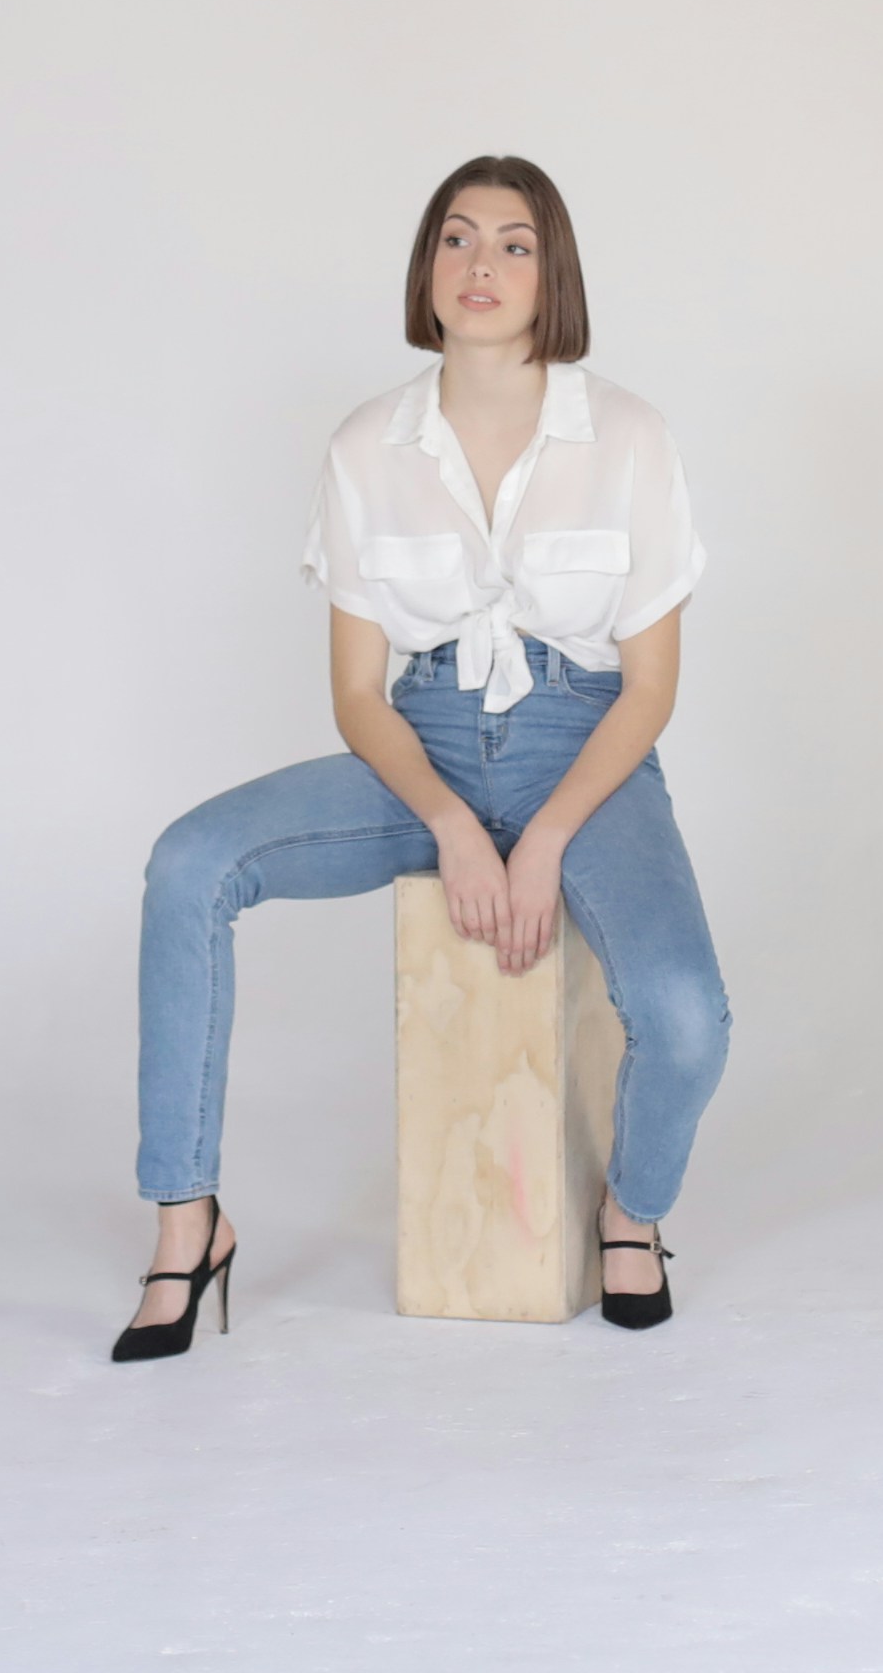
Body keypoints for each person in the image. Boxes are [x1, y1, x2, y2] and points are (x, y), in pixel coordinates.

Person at [117, 155, 727, 1360]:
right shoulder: (365, 445)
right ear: (426, 268)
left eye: (512, 241)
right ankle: (187, 1222)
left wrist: (545, 835)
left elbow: (651, 687)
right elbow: (356, 693)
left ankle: (632, 1209)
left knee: (686, 1013)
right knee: (189, 863)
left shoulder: (629, 435)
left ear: (551, 270)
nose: (481, 265)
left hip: (584, 750)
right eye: (456, 238)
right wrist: (452, 821)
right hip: (421, 747)